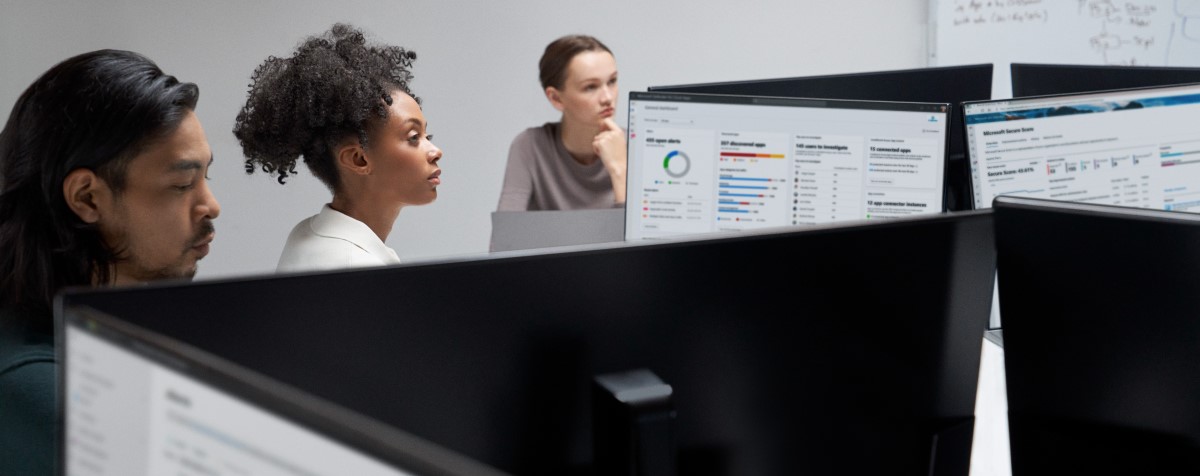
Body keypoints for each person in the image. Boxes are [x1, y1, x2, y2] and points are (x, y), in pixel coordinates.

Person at [0, 49, 220, 476]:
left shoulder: (97, 336)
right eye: (181, 184)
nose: (210, 206)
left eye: (206, 178)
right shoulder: (39, 391)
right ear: (87, 198)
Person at [234, 23, 442, 273]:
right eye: (413, 137)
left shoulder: (309, 233)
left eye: (426, 135)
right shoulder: (356, 269)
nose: (435, 151)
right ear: (358, 159)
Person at [497, 34, 626, 211]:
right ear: (556, 98)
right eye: (590, 87)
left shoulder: (640, 146)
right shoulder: (530, 146)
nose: (608, 97)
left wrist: (620, 170)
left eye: (612, 81)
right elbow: (505, 234)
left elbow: (649, 238)